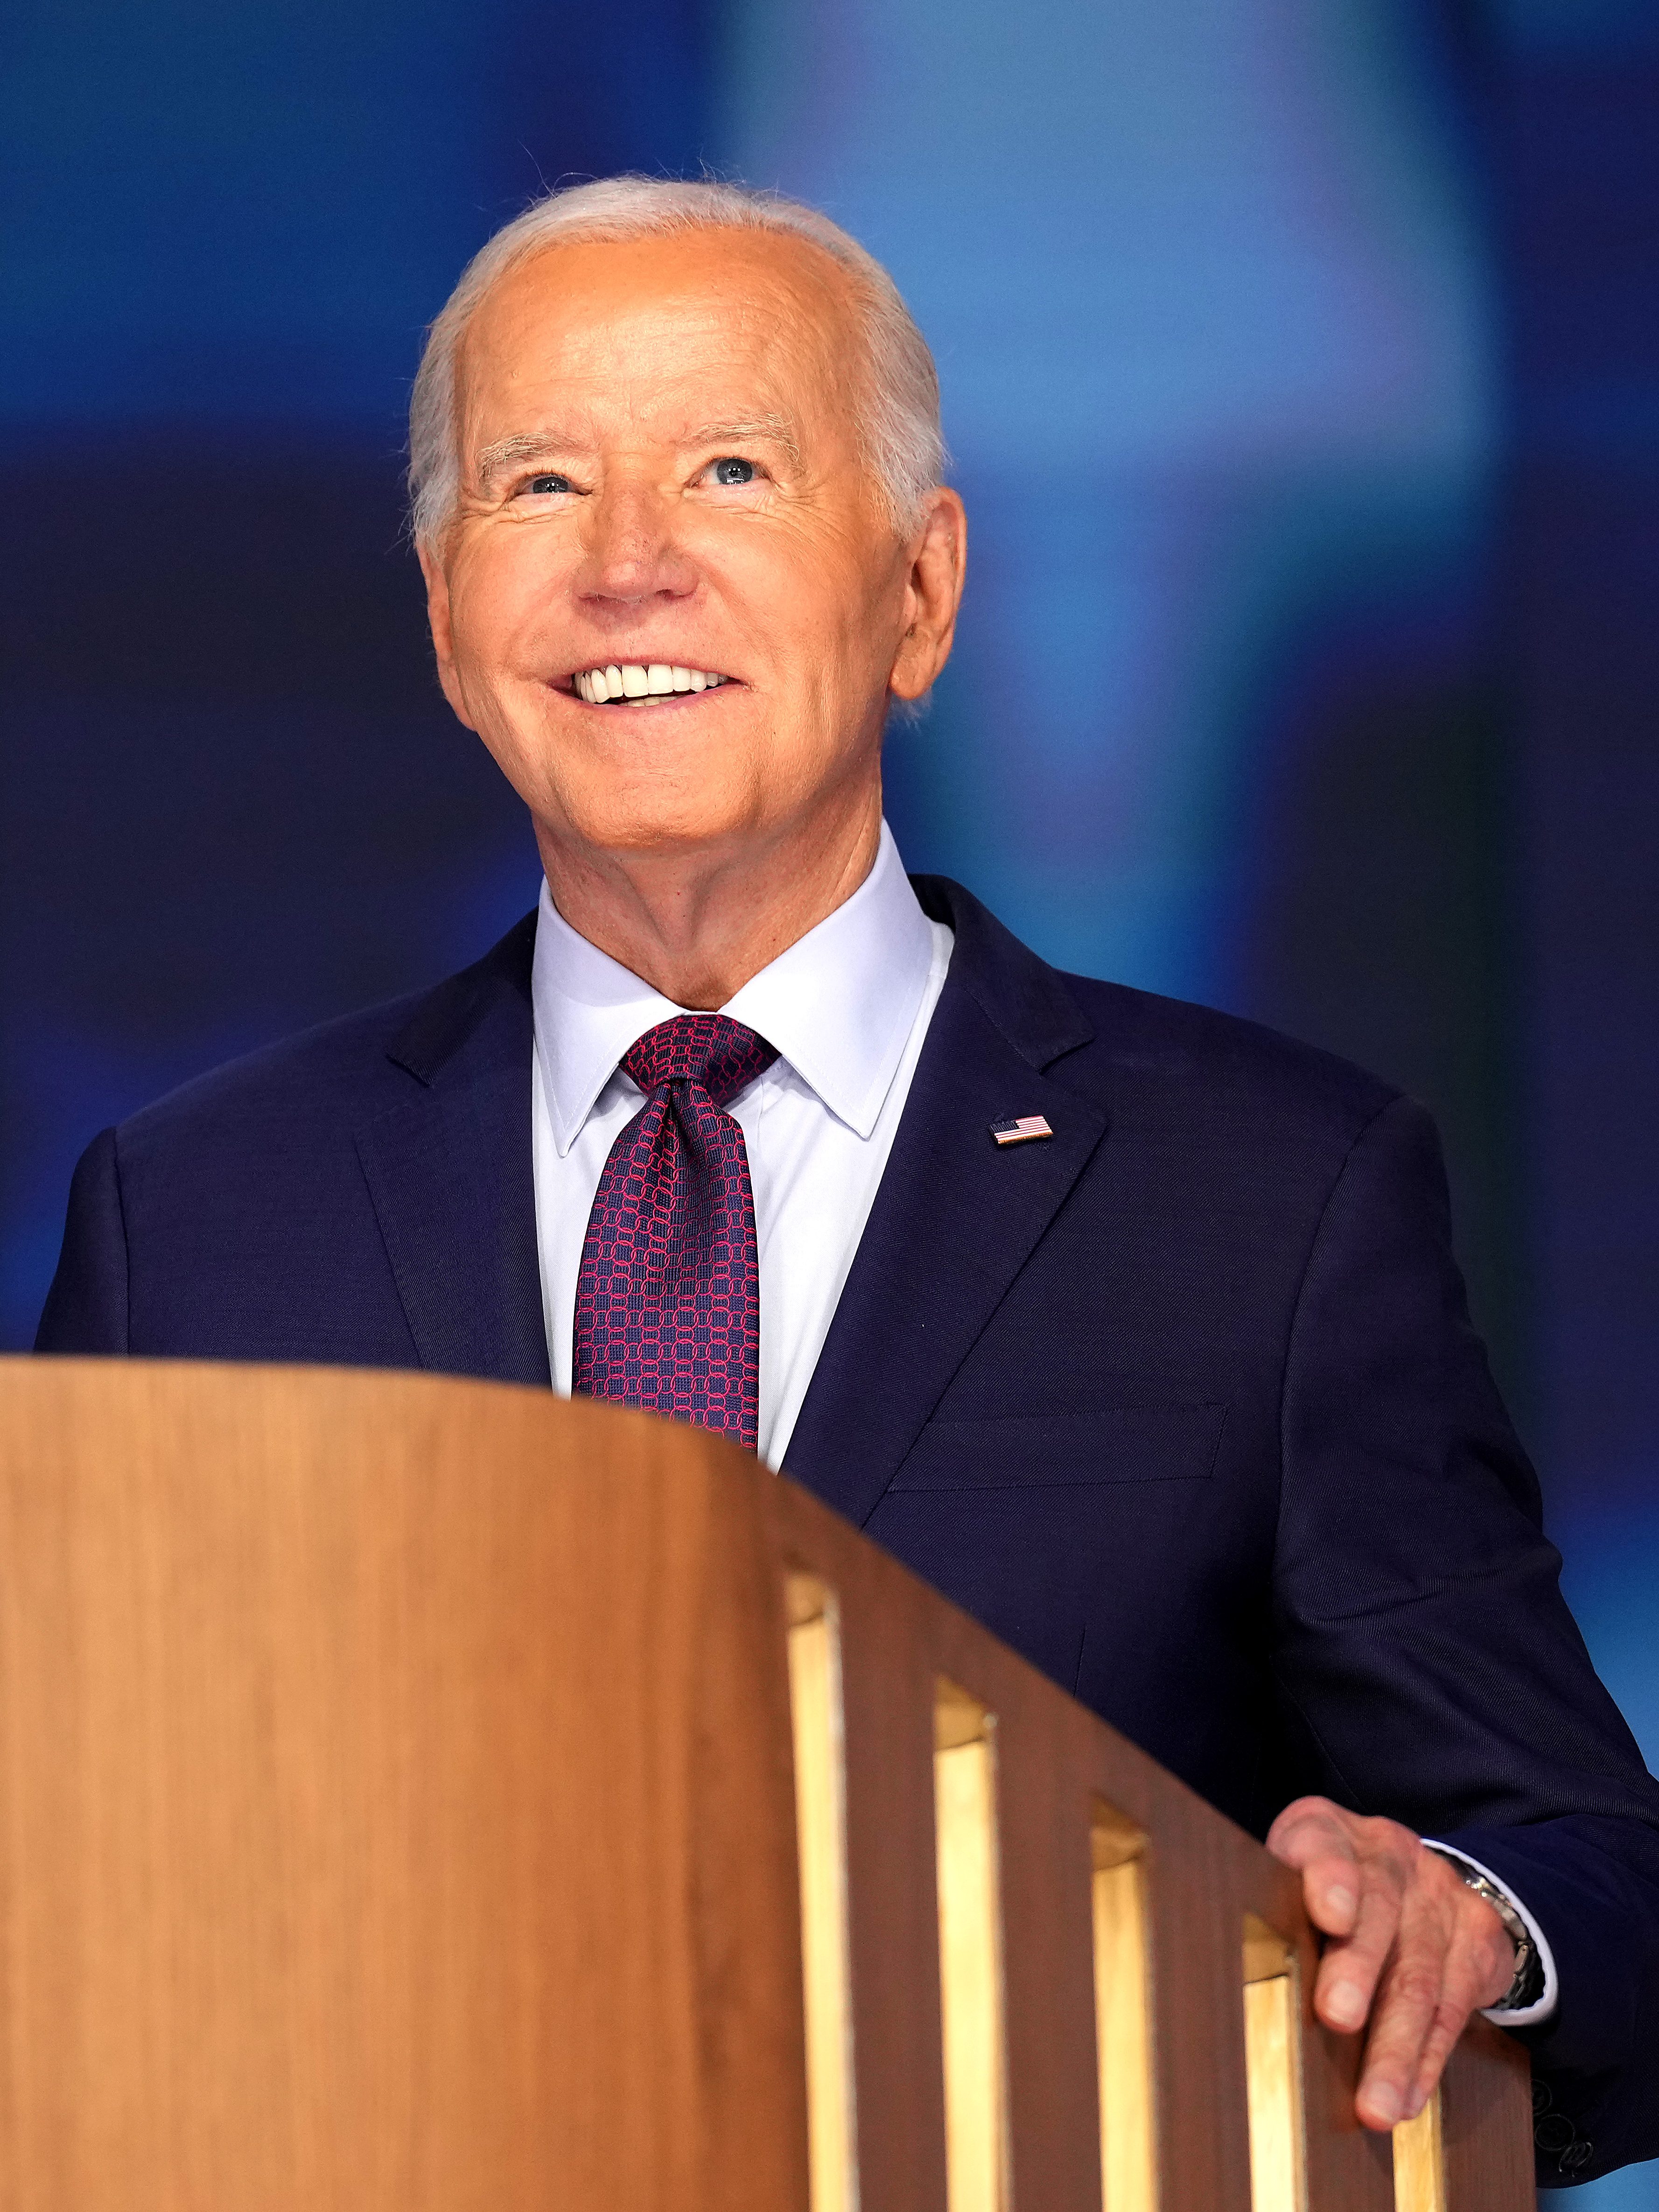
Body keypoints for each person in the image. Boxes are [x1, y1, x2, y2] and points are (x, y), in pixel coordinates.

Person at [36, 175, 1658, 2183]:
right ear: (448, 621)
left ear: (920, 588)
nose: (630, 566)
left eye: (729, 467)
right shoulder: (194, 1218)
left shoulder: (1273, 1195)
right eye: (539, 486)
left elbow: (1597, 1882)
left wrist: (1469, 1930)